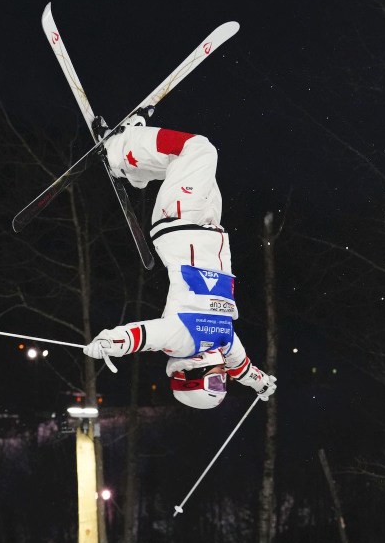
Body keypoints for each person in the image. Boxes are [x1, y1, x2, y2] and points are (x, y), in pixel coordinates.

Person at [82, 114, 277, 409]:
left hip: (180, 221)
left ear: (190, 375)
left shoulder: (183, 340)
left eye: (214, 382)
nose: (221, 377)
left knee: (199, 150)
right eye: (223, 384)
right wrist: (259, 382)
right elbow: (242, 367)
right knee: (187, 164)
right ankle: (136, 171)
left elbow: (143, 336)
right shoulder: (223, 344)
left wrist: (111, 342)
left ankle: (118, 150)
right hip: (211, 228)